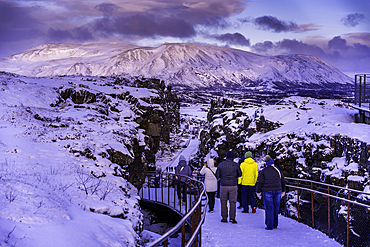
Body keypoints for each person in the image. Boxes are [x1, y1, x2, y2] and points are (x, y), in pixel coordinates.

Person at [256, 155, 286, 230]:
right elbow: (282, 181)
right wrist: (283, 190)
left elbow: (261, 182)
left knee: (269, 208)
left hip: (267, 191)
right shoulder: (278, 170)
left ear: (266, 164)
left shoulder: (264, 171)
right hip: (278, 191)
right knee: (276, 208)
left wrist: (258, 191)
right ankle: (275, 224)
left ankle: (269, 225)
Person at [215, 150, 242, 224]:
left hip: (223, 185)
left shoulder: (221, 165)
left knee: (223, 202)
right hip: (233, 185)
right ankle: (232, 218)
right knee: (233, 202)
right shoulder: (236, 165)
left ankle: (224, 217)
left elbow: (217, 175)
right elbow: (240, 174)